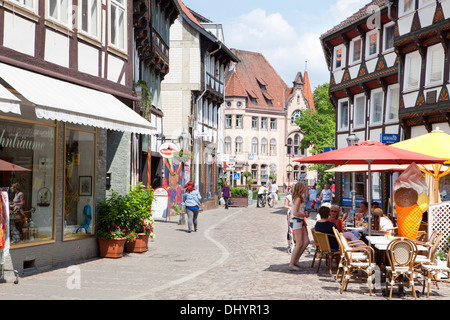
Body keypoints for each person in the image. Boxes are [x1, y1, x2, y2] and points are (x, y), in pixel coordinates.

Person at [289, 182, 310, 271]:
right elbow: (295, 212)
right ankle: (291, 263)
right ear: (300, 189)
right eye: (304, 187)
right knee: (299, 243)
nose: (305, 188)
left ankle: (296, 260)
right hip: (296, 221)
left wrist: (303, 215)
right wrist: (304, 215)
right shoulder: (297, 198)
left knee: (306, 241)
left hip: (300, 221)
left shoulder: (300, 198)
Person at [284, 188, 294, 252]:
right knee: (290, 228)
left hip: (296, 214)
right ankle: (289, 244)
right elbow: (285, 205)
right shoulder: (289, 197)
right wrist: (290, 208)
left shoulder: (298, 197)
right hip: (290, 213)